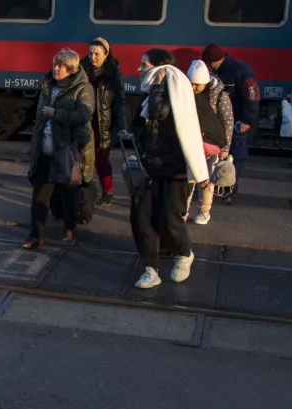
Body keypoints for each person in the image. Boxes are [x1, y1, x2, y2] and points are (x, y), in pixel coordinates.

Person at [130, 49, 209, 289]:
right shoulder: (149, 96)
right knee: (143, 218)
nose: (139, 70)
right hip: (153, 169)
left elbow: (159, 113)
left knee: (170, 219)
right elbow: (143, 124)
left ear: (158, 69)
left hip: (175, 170)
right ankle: (150, 269)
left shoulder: (176, 94)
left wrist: (157, 88)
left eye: (144, 65)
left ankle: (184, 254)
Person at [21, 48, 95, 249]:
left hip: (67, 151)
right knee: (40, 195)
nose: (56, 68)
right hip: (45, 150)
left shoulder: (83, 88)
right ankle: (35, 235)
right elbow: (38, 119)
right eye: (55, 64)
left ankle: (70, 227)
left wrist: (57, 113)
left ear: (71, 69)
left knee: (69, 193)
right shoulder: (46, 86)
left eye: (61, 66)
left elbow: (84, 115)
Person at [202, 43, 259, 205]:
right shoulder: (217, 72)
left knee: (236, 159)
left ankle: (229, 191)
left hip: (238, 123)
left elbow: (252, 96)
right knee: (219, 156)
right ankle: (218, 187)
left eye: (208, 63)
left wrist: (247, 120)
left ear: (214, 60)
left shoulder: (241, 71)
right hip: (220, 124)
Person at [80, 37, 126, 207]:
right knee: (81, 159)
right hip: (83, 123)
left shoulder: (113, 74)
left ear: (106, 54)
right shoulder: (81, 70)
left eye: (97, 54)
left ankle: (107, 192)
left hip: (102, 125)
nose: (93, 57)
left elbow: (120, 102)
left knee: (101, 159)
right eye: (91, 53)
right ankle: (82, 191)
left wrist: (121, 127)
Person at [187, 59, 233, 225]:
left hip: (211, 143)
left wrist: (225, 148)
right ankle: (182, 211)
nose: (193, 88)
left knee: (207, 179)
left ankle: (204, 211)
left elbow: (228, 121)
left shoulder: (219, 94)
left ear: (205, 82)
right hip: (192, 142)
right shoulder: (187, 93)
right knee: (189, 179)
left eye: (197, 84)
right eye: (191, 83)